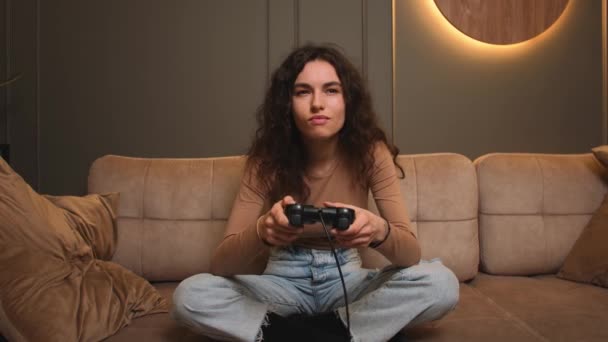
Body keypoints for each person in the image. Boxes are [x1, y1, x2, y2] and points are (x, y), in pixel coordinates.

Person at [171, 44, 459, 342]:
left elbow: (410, 254)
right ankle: (340, 334)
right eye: (303, 92)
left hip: (347, 280)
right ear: (287, 103)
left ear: (348, 100)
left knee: (441, 284)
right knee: (191, 295)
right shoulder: (266, 158)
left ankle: (300, 335)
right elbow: (222, 265)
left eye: (331, 90)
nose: (317, 104)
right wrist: (263, 231)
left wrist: (377, 229)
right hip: (282, 281)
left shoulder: (372, 153)